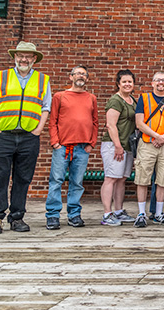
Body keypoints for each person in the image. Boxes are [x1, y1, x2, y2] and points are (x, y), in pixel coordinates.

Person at [0, 41, 51, 234]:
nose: (24, 59)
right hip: (2, 135)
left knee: (23, 178)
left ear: (34, 59)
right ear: (14, 57)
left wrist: (38, 130)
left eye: (28, 56)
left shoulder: (42, 80)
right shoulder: (1, 77)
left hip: (28, 137)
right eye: (20, 56)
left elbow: (46, 107)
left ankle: (17, 217)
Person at [45, 65, 97, 229]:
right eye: (77, 74)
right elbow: (52, 121)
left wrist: (91, 143)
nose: (81, 76)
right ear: (71, 77)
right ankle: (53, 215)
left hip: (83, 147)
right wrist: (55, 142)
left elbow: (95, 122)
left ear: (87, 79)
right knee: (56, 180)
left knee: (77, 182)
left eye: (84, 74)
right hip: (63, 146)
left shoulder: (91, 98)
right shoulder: (60, 96)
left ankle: (74, 214)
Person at [133, 71, 164, 227]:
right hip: (147, 143)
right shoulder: (144, 98)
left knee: (163, 179)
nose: (161, 83)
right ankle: (141, 213)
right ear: (152, 83)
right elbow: (139, 122)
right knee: (142, 179)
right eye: (157, 80)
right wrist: (156, 136)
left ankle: (159, 213)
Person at [100, 69, 138, 226]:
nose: (127, 84)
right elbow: (111, 125)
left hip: (127, 146)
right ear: (118, 84)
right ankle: (107, 214)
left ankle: (118, 211)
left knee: (121, 179)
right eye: (124, 82)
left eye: (130, 81)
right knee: (110, 178)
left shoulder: (132, 100)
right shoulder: (116, 100)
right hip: (114, 145)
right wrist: (117, 146)